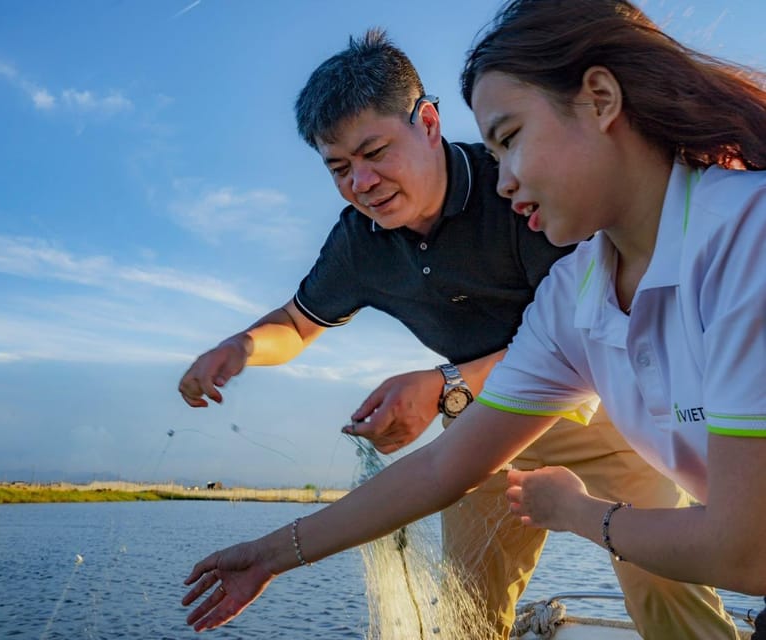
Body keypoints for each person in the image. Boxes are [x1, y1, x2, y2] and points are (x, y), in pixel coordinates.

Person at [180, 0, 766, 635]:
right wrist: (268, 553)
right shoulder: (571, 287)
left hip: (597, 413)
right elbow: (431, 460)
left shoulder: (723, 235)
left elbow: (743, 548)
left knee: (665, 588)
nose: (361, 182)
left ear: (427, 123)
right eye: (339, 169)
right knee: (465, 609)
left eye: (511, 140)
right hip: (497, 416)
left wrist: (571, 505)